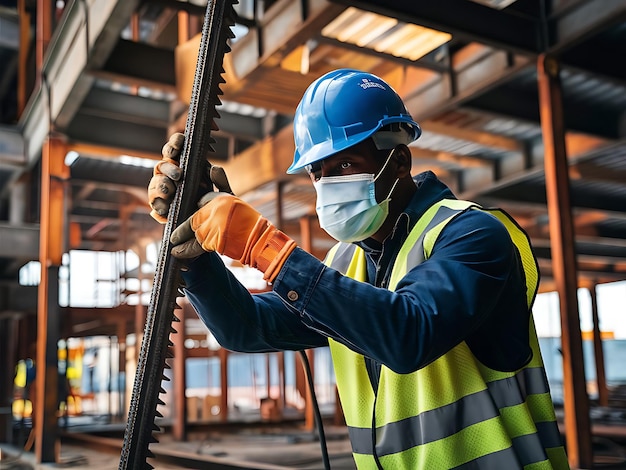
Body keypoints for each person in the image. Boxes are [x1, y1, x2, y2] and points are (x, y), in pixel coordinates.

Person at [148, 69, 569, 469]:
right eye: (318, 173)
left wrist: (261, 245)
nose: (328, 184)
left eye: (345, 165)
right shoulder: (348, 266)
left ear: (399, 161)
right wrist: (197, 252)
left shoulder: (471, 233)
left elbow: (409, 335)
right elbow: (246, 327)